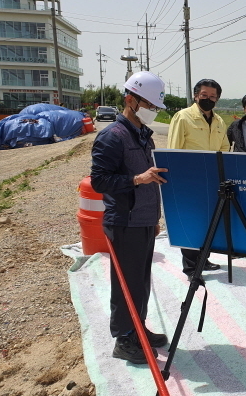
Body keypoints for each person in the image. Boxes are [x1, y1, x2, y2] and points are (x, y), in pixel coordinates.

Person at [91, 71, 169, 364]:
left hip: (143, 219)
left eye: (155, 107)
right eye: (148, 105)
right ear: (130, 100)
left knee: (141, 282)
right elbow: (99, 181)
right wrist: (137, 179)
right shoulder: (113, 136)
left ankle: (138, 329)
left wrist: (153, 215)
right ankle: (124, 339)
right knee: (126, 283)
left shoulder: (142, 134)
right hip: (124, 221)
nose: (152, 111)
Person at [167, 78, 230, 275]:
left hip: (213, 180)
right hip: (190, 179)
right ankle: (192, 267)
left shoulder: (219, 121)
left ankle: (204, 259)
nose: (208, 99)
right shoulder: (183, 117)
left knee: (209, 222)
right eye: (204, 95)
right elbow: (173, 149)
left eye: (213, 96)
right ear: (196, 96)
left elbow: (225, 148)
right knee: (192, 222)